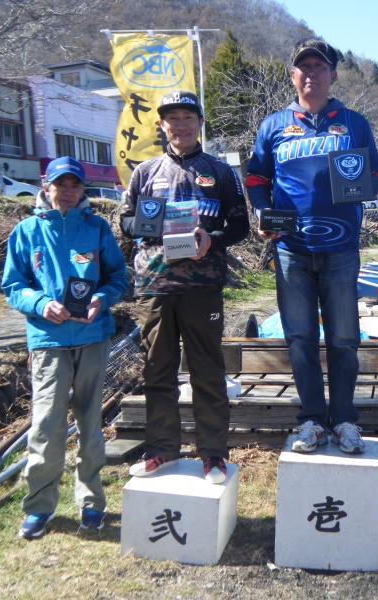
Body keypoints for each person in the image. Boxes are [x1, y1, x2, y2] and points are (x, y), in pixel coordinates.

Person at [246, 38, 378, 454]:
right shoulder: (273, 125)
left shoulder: (354, 122)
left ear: (333, 74)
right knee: (300, 338)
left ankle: (343, 419)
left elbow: (375, 177)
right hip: (291, 248)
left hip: (341, 249)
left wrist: (360, 186)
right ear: (292, 76)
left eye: (319, 67)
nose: (311, 74)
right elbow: (256, 179)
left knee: (343, 338)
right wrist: (261, 213)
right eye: (303, 67)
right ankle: (310, 420)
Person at [120, 90, 249, 481]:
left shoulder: (221, 172)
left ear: (199, 124)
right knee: (157, 370)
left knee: (207, 371)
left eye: (187, 117)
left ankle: (212, 454)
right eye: (172, 118)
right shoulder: (145, 172)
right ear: (162, 125)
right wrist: (155, 226)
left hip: (202, 285)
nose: (180, 125)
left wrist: (213, 239)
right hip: (156, 286)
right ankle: (163, 450)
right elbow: (125, 223)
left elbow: (240, 225)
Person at [1, 156, 129, 539]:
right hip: (48, 341)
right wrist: (41, 304)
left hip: (92, 338)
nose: (68, 192)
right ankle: (40, 507)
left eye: (74, 185)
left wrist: (101, 301)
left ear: (82, 190)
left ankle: (91, 504)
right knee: (46, 426)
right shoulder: (26, 231)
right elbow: (13, 285)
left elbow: (117, 278)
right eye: (61, 185)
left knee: (91, 424)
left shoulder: (97, 228)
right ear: (46, 187)